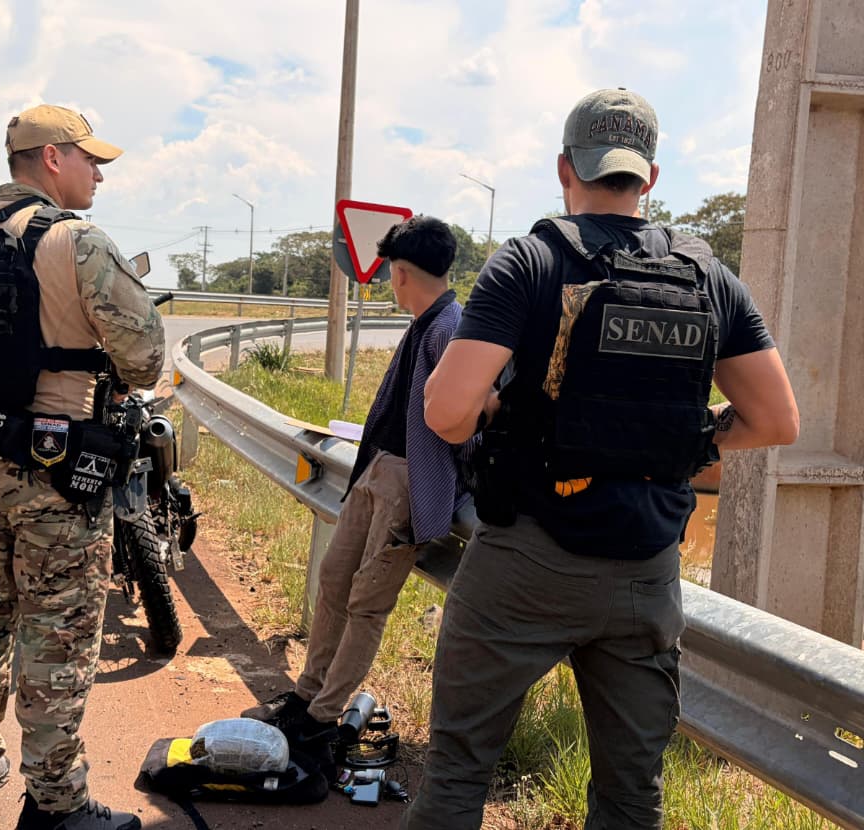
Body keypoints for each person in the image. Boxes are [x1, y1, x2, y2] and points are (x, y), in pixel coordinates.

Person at [401, 88, 800, 830]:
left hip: (525, 560)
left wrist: (495, 407)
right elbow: (776, 420)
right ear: (648, 177)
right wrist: (690, 439)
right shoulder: (709, 276)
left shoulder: (529, 261)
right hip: (647, 571)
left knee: (458, 776)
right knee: (629, 796)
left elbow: (446, 413)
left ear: (565, 168)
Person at [0, 104, 164, 830]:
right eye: (91, 159)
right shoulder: (78, 242)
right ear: (53, 158)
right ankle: (57, 804)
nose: (99, 173)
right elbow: (146, 355)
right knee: (56, 633)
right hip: (56, 474)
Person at [242, 216, 476, 756]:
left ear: (400, 274)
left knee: (367, 603)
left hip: (409, 484)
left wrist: (442, 489)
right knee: (333, 581)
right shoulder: (427, 321)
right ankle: (306, 696)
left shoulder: (450, 330)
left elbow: (464, 426)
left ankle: (323, 718)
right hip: (375, 471)